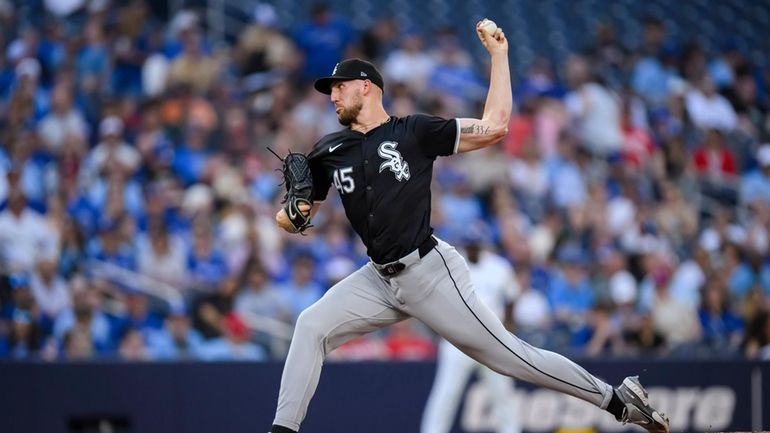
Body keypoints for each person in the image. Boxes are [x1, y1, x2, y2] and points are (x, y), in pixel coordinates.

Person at [270, 20, 669, 433]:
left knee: (512, 358)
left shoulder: (413, 131)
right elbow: (296, 215)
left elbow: (495, 126)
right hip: (377, 278)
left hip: (429, 273)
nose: (333, 95)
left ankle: (617, 400)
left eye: (340, 86)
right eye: (331, 89)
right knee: (311, 325)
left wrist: (499, 57)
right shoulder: (330, 150)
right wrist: (294, 211)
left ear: (366, 86)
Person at [420, 225, 521, 433]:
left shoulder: (498, 267)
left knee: (502, 395)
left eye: (476, 244)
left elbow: (511, 297)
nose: (473, 248)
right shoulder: (450, 264)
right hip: (458, 340)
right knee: (446, 394)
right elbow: (433, 299)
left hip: (492, 340)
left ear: (482, 244)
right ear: (464, 244)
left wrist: (508, 330)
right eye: (469, 244)